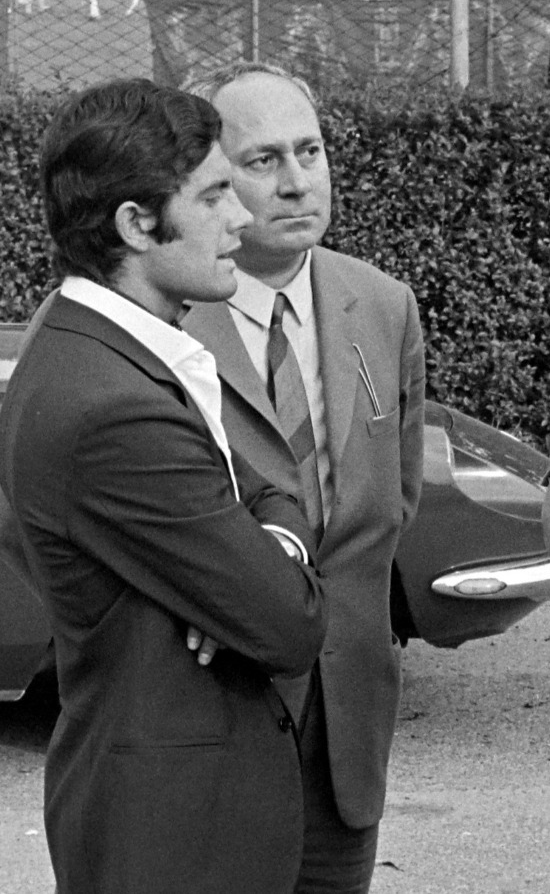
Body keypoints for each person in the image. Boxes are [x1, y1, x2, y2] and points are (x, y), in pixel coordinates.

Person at [0, 79, 326, 894]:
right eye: (214, 195)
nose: (241, 218)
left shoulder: (122, 354)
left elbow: (278, 493)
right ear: (136, 226)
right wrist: (253, 581)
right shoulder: (112, 405)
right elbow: (288, 625)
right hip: (175, 840)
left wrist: (249, 562)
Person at [181, 62, 426, 894]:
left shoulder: (383, 305)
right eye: (263, 161)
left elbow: (393, 501)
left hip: (344, 740)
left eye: (310, 151)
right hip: (210, 723)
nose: (296, 183)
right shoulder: (160, 316)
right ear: (209, 180)